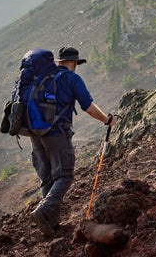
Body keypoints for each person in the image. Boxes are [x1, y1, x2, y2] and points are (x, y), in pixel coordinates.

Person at [30, 46, 117, 237]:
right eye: (76, 63)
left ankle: (51, 225)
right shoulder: (71, 78)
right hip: (56, 133)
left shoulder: (41, 77)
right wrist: (107, 120)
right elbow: (87, 105)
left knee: (48, 178)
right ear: (74, 62)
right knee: (64, 176)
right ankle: (43, 212)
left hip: (34, 133)